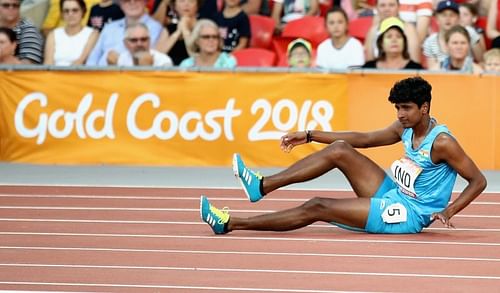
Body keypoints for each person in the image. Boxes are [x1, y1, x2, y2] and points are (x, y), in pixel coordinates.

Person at [200, 76, 487, 235]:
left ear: (424, 108)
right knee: (340, 150)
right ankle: (261, 186)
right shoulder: (405, 127)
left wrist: (449, 211)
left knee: (318, 206)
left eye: (406, 108)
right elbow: (363, 139)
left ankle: (230, 222)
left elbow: (478, 180)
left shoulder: (443, 143)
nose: (400, 114)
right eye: (397, 108)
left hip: (407, 214)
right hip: (393, 193)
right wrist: (310, 134)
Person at [85, 0, 167, 66]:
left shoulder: (156, 28)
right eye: (126, 0)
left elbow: (149, 59)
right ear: (120, 3)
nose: (132, 2)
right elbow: (93, 58)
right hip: (99, 79)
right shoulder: (109, 27)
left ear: (145, 1)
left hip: (130, 79)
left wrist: (118, 62)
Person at [423, 0, 483, 69]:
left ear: (458, 18)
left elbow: (481, 61)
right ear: (436, 18)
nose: (447, 19)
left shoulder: (470, 32)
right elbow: (432, 71)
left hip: (469, 75)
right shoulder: (430, 41)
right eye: (443, 15)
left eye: (452, 15)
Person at [44, 0, 99, 65]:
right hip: (54, 74)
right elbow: (48, 63)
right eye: (66, 11)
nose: (70, 14)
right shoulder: (53, 34)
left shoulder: (92, 34)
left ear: (83, 12)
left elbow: (81, 61)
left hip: (79, 74)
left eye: (75, 10)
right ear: (62, 14)